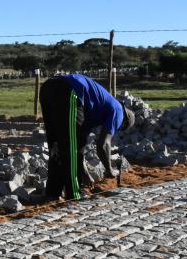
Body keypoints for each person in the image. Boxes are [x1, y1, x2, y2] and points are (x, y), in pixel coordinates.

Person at [39, 73, 135, 201]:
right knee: (69, 148)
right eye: (119, 127)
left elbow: (78, 144)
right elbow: (103, 144)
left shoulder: (94, 111)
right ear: (125, 121)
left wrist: (85, 173)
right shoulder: (119, 111)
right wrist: (110, 169)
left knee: (56, 145)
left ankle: (52, 193)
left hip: (48, 88)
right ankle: (74, 194)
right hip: (69, 89)